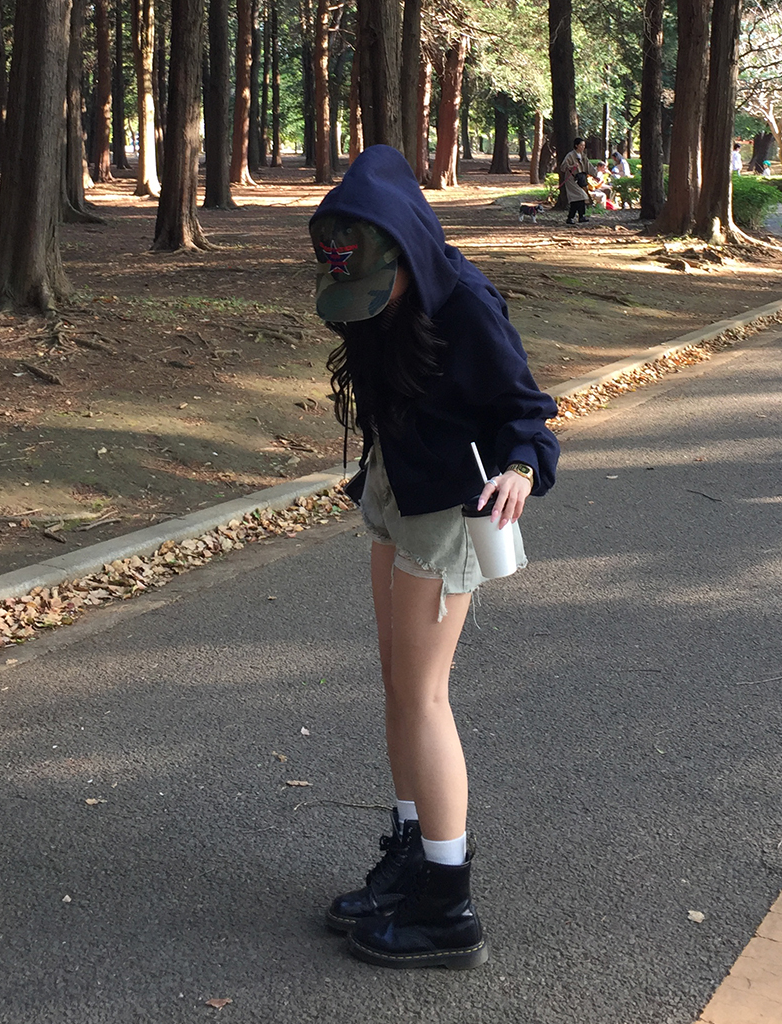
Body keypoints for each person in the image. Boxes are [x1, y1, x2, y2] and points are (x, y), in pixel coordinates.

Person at [308, 145, 560, 970]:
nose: (366, 306)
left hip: (451, 507)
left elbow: (525, 407)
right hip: (394, 489)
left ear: (409, 248)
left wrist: (522, 468)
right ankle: (413, 852)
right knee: (396, 683)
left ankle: (448, 905)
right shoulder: (377, 305)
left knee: (423, 695)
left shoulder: (468, 304)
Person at [559, 137, 592, 225]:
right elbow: (563, 167)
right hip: (571, 179)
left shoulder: (583, 155)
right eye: (581, 145)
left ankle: (574, 217)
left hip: (580, 179)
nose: (583, 147)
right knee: (581, 196)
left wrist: (596, 175)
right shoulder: (570, 155)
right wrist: (571, 166)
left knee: (576, 199)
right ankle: (579, 216)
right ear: (576, 145)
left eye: (584, 145)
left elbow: (589, 166)